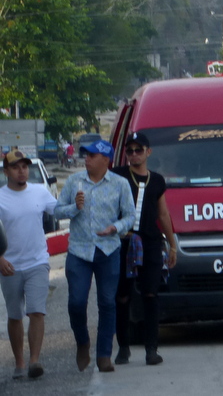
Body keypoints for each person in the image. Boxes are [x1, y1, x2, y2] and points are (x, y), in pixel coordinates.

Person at [54, 140, 135, 373]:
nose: (87, 159)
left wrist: (115, 227)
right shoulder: (74, 181)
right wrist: (74, 208)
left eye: (92, 155)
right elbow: (57, 211)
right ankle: (82, 341)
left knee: (107, 302)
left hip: (108, 250)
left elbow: (130, 216)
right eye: (86, 155)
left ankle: (104, 355)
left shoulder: (120, 184)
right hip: (79, 251)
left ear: (106, 160)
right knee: (76, 302)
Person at [111, 132, 177, 366]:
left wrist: (172, 245)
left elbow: (163, 213)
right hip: (124, 241)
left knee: (150, 293)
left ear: (148, 152)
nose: (134, 154)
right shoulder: (118, 175)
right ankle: (123, 347)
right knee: (122, 295)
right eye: (130, 150)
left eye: (138, 150)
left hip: (149, 242)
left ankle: (151, 349)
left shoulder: (156, 180)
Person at [0, 150, 57, 380]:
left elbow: (60, 210)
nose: (21, 171)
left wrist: (77, 204)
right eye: (15, 167)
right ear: (6, 172)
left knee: (36, 311)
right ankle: (20, 362)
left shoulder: (39, 191)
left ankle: (34, 361)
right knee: (15, 315)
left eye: (24, 167)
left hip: (37, 261)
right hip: (10, 265)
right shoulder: (1, 197)